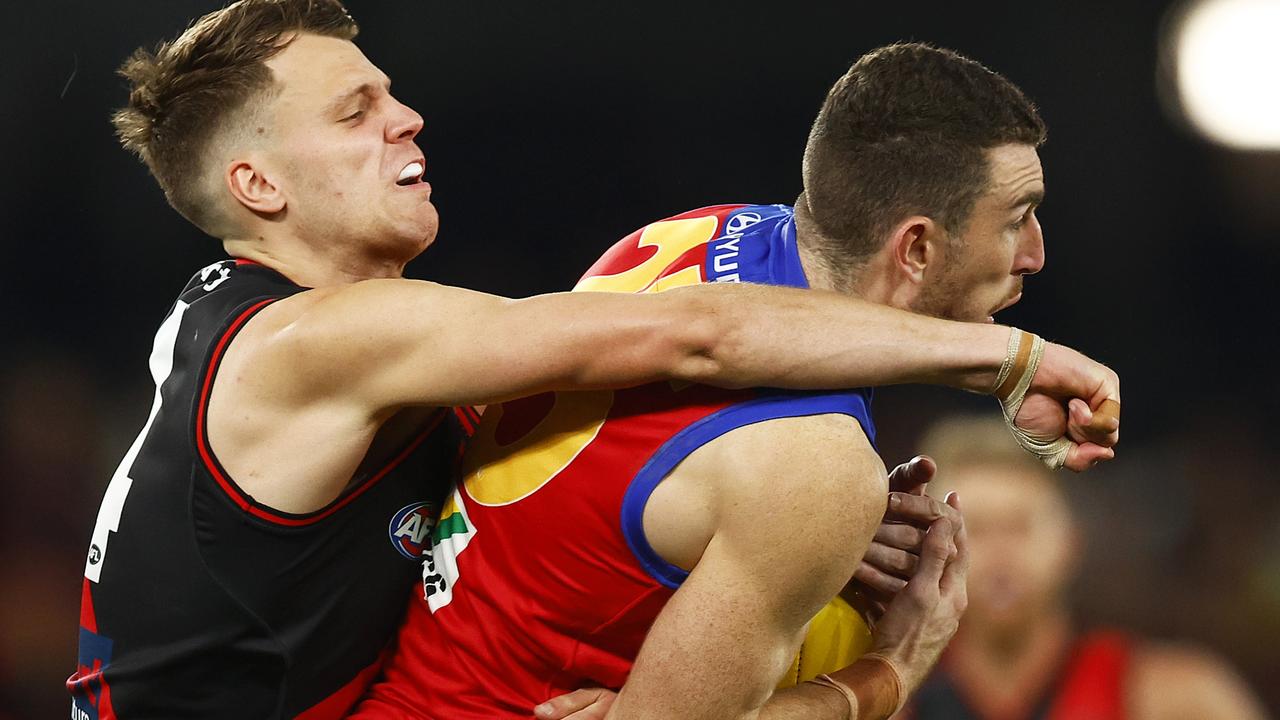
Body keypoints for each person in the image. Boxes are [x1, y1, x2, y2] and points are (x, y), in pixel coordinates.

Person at [67, 3, 1120, 719]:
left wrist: (764, 522)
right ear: (257, 187)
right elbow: (698, 335)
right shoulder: (317, 343)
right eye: (356, 112)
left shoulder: (276, 320)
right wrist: (891, 670)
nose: (407, 116)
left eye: (387, 93)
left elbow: (588, 458)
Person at [353, 43, 1119, 720]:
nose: (1036, 253)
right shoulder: (815, 472)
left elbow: (638, 493)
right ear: (915, 248)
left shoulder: (698, 236)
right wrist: (893, 670)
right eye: (1018, 216)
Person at [900, 416, 1269, 720]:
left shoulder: (1176, 698)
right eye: (976, 528)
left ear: (1070, 542)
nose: (1001, 554)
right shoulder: (892, 701)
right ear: (937, 548)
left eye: (1020, 526)